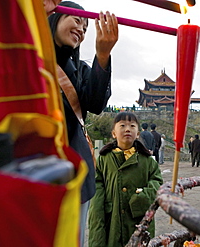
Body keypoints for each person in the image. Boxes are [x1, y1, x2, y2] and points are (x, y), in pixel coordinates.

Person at [48, 2, 119, 245]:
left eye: (87, 27)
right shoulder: (29, 53)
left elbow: (96, 102)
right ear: (54, 17)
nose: (82, 29)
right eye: (77, 20)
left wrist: (102, 54)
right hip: (35, 163)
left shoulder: (79, 69)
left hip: (72, 168)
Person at [88, 112, 163, 247]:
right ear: (113, 133)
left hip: (139, 221)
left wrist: (140, 198)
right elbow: (96, 201)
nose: (127, 129)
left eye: (132, 126)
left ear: (138, 133)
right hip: (112, 223)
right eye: (122, 125)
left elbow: (157, 184)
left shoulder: (148, 161)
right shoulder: (104, 160)